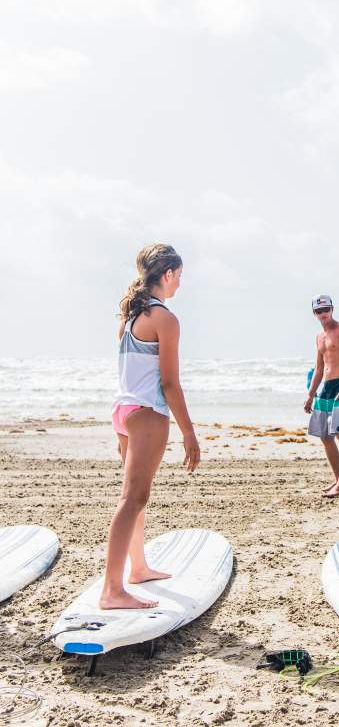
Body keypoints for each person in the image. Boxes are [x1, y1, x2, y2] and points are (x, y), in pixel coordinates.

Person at [100, 244, 201, 610]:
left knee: (135, 497)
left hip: (123, 410)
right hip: (146, 413)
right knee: (133, 498)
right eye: (180, 276)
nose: (180, 284)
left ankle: (138, 568)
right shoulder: (164, 318)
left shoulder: (130, 315)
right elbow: (170, 384)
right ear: (169, 273)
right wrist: (189, 433)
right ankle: (112, 590)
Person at [304, 295, 339, 497]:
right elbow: (319, 368)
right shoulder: (319, 337)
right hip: (325, 388)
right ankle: (338, 480)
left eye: (326, 310)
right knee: (325, 437)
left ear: (332, 310)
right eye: (319, 311)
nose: (323, 314)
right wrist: (311, 395)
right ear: (315, 314)